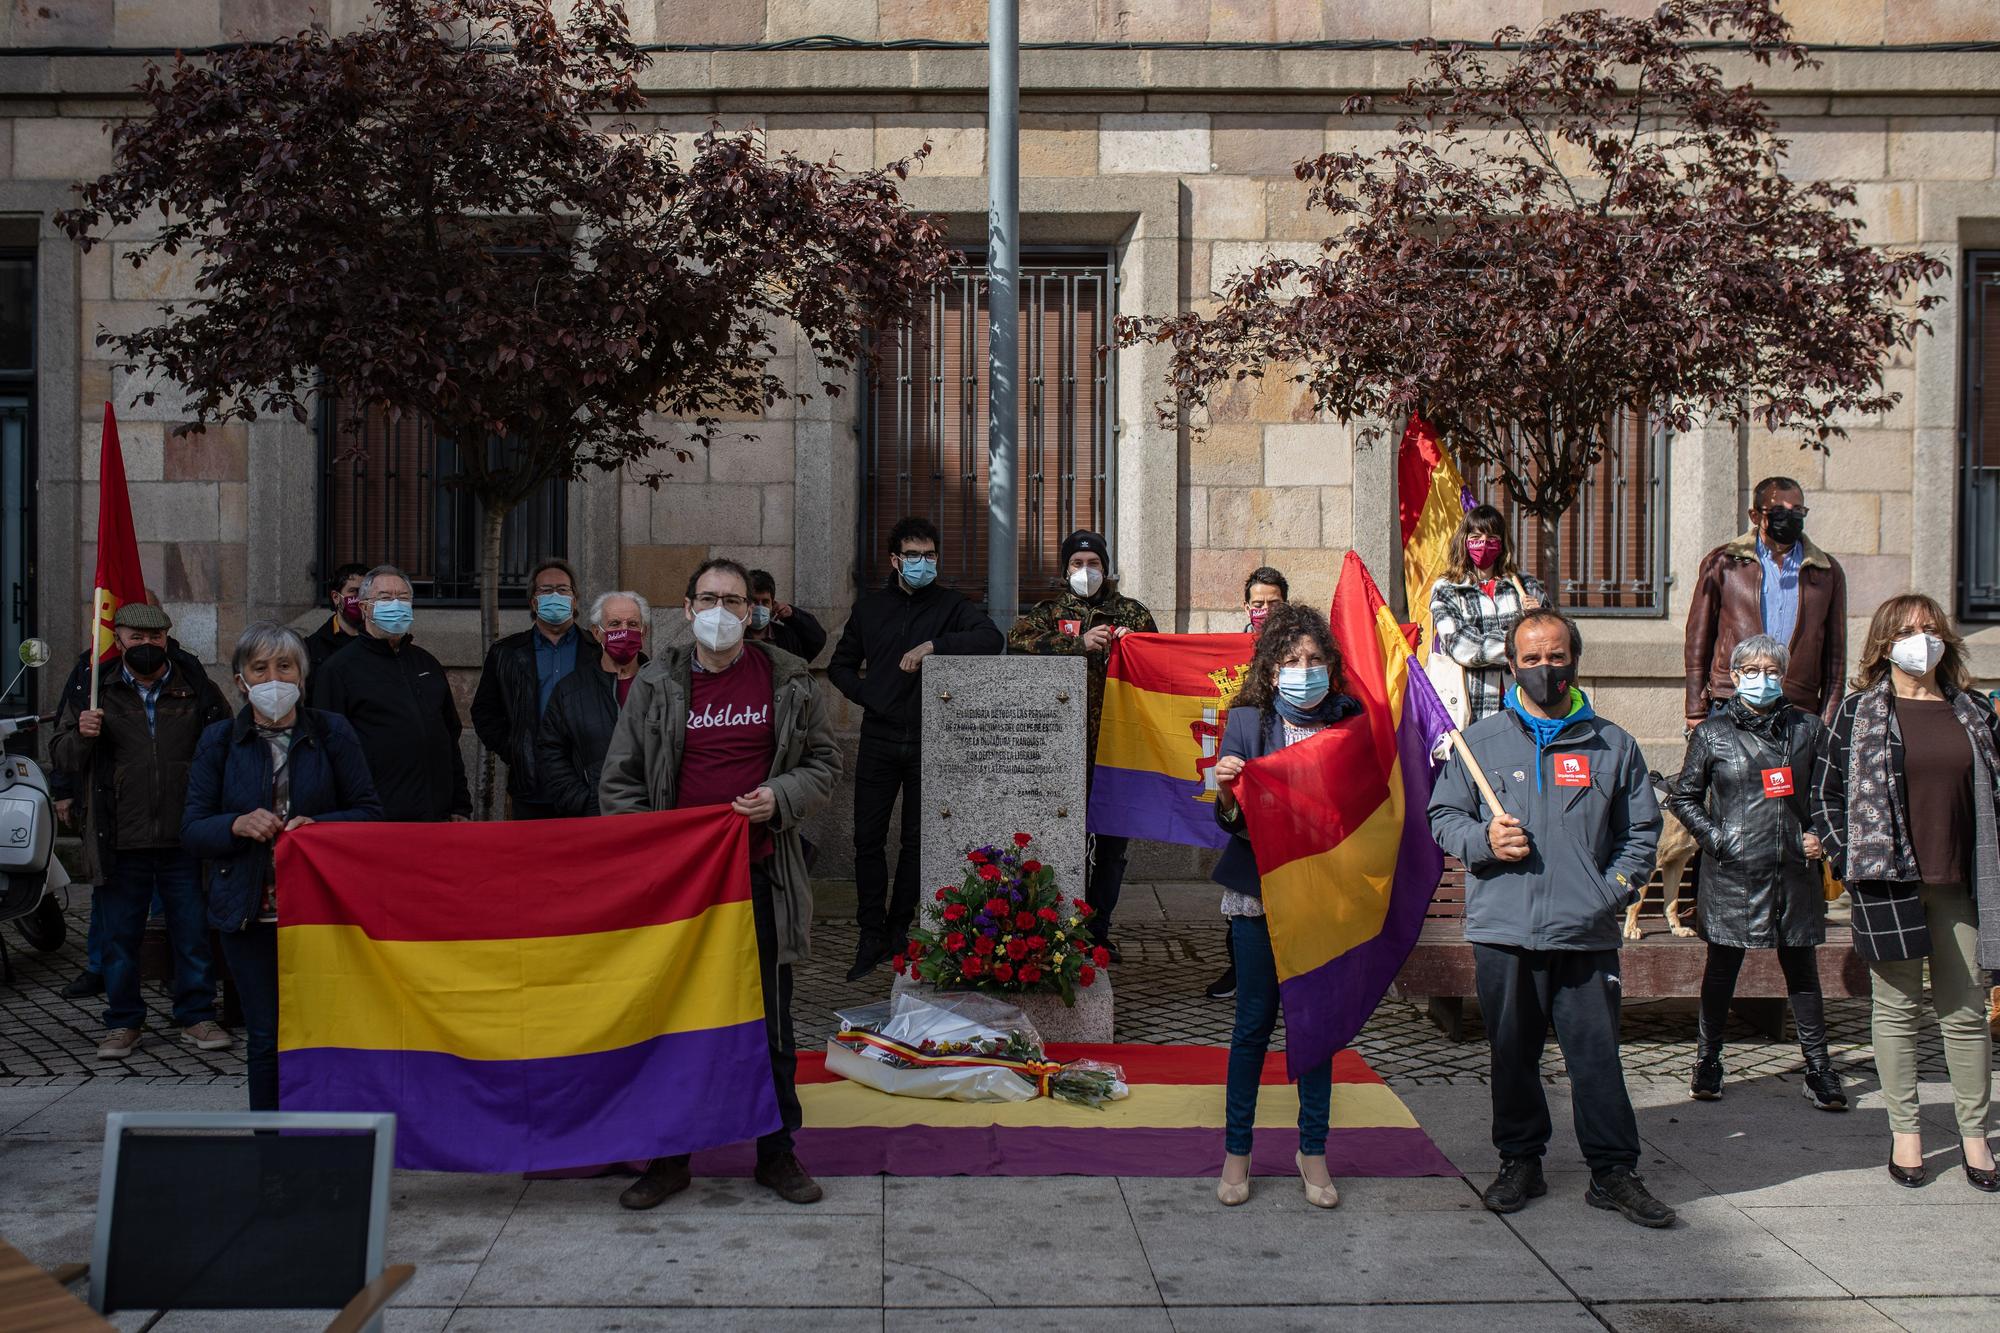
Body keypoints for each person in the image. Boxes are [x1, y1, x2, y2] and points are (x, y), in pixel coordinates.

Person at [599, 558, 842, 1210]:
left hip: (761, 876)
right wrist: (662, 848)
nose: (720, 609)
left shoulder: (786, 679)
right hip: (680, 890)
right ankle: (670, 1157)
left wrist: (780, 796)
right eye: (708, 597)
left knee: (770, 1021)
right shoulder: (656, 682)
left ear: (751, 612)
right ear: (685, 608)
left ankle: (776, 1151)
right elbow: (618, 781)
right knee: (675, 1020)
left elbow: (824, 762)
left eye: (733, 600)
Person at [1427, 608, 1673, 1228]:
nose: (1545, 669)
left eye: (1557, 657)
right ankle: (1520, 1161)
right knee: (1512, 1054)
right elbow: (1442, 819)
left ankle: (1613, 1170)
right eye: (1531, 659)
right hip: (1504, 929)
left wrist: (1610, 890)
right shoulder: (1476, 744)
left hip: (1585, 931)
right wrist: (1483, 839)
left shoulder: (1613, 745)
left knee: (1595, 1057)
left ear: (1575, 661)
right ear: (1511, 665)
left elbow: (1641, 830)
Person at [1812, 594, 1999, 1191]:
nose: (1923, 639)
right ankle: (1907, 1133)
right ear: (1884, 643)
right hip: (1886, 880)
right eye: (1909, 630)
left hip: (1963, 880)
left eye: (1932, 628)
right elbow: (1825, 794)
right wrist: (1850, 857)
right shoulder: (1859, 711)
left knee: (1966, 1012)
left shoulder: (1973, 710)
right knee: (1895, 1009)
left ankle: (1974, 1136)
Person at [182, 623, 382, 1110]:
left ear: (302, 675)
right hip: (249, 913)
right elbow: (192, 830)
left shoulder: (332, 732)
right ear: (240, 680)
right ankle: (272, 1150)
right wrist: (235, 824)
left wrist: (323, 828)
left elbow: (370, 812)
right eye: (260, 668)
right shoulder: (219, 741)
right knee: (267, 1037)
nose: (274, 677)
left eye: (285, 666)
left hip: (321, 917)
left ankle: (330, 1137)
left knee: (329, 1031)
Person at [1209, 603, 1351, 1210]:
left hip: (1325, 895)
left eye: (1315, 660)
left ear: (1331, 668)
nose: (1304, 670)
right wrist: (1228, 789)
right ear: (1270, 671)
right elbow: (1230, 821)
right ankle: (1236, 1152)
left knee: (1314, 1029)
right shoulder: (1247, 722)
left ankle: (1311, 1150)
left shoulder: (1350, 720)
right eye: (1292, 661)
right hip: (1260, 895)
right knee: (1252, 1027)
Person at [1665, 635, 1843, 1111]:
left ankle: (1819, 1067)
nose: (1761, 678)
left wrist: (1821, 834)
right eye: (1751, 669)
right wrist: (1718, 837)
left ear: (1782, 675)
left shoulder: (1807, 729)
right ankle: (1707, 1061)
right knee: (1722, 970)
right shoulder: (1713, 733)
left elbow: (1830, 794)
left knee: (1802, 973)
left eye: (1770, 669)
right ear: (1735, 673)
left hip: (1793, 869)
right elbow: (1683, 796)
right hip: (1732, 872)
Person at [49, 603, 233, 1061]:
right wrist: (82, 735)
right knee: (120, 939)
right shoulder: (94, 689)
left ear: (167, 638)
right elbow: (64, 757)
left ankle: (196, 1015)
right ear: (120, 639)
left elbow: (225, 746)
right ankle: (123, 1021)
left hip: (184, 835)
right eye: (136, 638)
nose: (146, 646)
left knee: (191, 933)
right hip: (120, 837)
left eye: (155, 639)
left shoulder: (196, 687)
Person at [828, 517, 1005, 981]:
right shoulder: (870, 609)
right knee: (867, 839)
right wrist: (870, 696)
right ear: (895, 559)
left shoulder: (950, 605)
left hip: (929, 739)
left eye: (929, 555)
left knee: (916, 841)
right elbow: (840, 666)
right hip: (879, 739)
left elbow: (991, 639)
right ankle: (869, 933)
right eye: (913, 555)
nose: (922, 563)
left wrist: (935, 645)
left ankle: (899, 928)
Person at [1008, 529, 1158, 960]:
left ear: (1106, 569)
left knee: (1111, 852)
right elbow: (1016, 643)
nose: (1086, 572)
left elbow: (1161, 665)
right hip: (1063, 753)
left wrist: (1139, 645)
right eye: (1078, 564)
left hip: (1118, 752)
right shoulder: (1049, 612)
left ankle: (1099, 930)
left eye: (1094, 564)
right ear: (1065, 569)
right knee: (1063, 846)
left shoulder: (1131, 612)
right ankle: (1062, 931)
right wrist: (1077, 644)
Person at [311, 564, 471, 823]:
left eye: (403, 597)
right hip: (376, 820)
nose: (395, 603)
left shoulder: (427, 664)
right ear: (364, 607)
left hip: (436, 818)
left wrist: (460, 806)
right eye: (385, 598)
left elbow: (449, 739)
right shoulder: (338, 670)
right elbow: (328, 752)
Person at [1686, 476, 1847, 732]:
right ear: (1755, 515)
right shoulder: (1723, 563)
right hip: (1732, 698)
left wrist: (1830, 716)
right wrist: (1695, 708)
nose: (1789, 518)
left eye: (1798, 512)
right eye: (1779, 511)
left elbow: (1835, 656)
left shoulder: (1826, 571)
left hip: (1797, 706)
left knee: (1788, 774)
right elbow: (1698, 639)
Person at [1205, 565, 1293, 1003]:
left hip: (1287, 770)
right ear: (1245, 607)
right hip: (1241, 762)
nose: (1263, 610)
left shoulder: (1300, 651)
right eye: (1256, 604)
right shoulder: (1229, 650)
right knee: (1243, 876)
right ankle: (1240, 967)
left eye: (1272, 603)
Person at [472, 558, 585, 819]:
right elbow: (484, 712)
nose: (554, 595)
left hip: (584, 781)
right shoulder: (506, 654)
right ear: (534, 602)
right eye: (545, 590)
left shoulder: (595, 651)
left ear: (575, 599)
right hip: (532, 783)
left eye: (563, 589)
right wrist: (515, 749)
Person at [1426, 505, 1547, 728]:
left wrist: (1539, 617)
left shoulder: (1526, 585)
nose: (1483, 544)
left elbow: (1550, 641)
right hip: (1472, 711)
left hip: (1523, 708)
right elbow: (1462, 647)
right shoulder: (1447, 589)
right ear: (1464, 541)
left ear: (1501, 543)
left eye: (1491, 537)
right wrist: (1521, 646)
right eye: (1476, 537)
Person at [538, 591, 651, 818]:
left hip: (653, 814)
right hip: (595, 815)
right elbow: (551, 752)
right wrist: (582, 800)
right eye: (615, 624)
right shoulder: (570, 691)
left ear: (644, 632)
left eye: (632, 624)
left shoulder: (663, 685)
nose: (624, 631)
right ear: (597, 633)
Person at [303, 562, 369, 675]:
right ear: (336, 597)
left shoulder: (382, 641)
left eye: (366, 593)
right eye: (354, 591)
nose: (360, 598)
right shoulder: (312, 647)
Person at [749, 569, 828, 663]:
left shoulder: (786, 638)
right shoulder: (736, 634)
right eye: (754, 601)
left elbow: (817, 640)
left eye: (765, 602)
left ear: (773, 605)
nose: (760, 607)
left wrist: (794, 616)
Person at [1242, 566, 1288, 636]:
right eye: (1258, 605)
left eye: (1274, 604)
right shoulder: (1234, 645)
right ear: (1248, 609)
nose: (1266, 609)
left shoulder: (1303, 644)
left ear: (1286, 607)